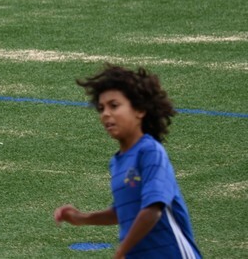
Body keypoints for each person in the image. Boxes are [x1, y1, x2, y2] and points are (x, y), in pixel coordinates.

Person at [54, 65, 202, 258]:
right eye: (101, 108)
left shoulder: (150, 151)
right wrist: (82, 218)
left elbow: (152, 210)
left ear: (139, 110)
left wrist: (122, 250)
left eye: (114, 106)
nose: (106, 114)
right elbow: (124, 211)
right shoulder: (117, 162)